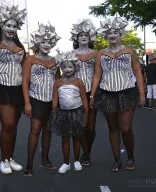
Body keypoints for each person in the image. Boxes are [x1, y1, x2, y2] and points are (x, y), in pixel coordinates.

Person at [90, 14, 145, 172]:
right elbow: (97, 75)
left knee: (126, 128)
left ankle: (130, 157)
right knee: (112, 128)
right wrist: (93, 96)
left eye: (115, 32)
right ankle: (116, 160)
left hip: (127, 92)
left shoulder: (130, 51)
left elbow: (137, 72)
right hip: (107, 94)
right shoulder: (101, 53)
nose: (112, 35)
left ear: (121, 34)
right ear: (106, 35)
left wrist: (141, 94)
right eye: (109, 33)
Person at [0, 2, 27, 174]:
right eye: (7, 25)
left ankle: (10, 158)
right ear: (1, 26)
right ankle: (3, 160)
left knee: (14, 126)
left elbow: (26, 69)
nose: (11, 28)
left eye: (14, 25)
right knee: (8, 124)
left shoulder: (20, 47)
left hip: (17, 87)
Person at [22, 23, 61, 176]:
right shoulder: (30, 59)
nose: (46, 45)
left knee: (48, 130)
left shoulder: (55, 61)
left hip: (51, 101)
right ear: (38, 43)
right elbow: (25, 81)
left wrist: (57, 102)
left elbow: (58, 82)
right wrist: (27, 103)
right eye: (43, 42)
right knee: (35, 130)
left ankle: (45, 160)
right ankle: (29, 164)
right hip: (35, 99)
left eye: (49, 42)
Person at [48, 51, 88, 173]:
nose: (67, 69)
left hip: (77, 111)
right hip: (63, 113)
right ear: (61, 68)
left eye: (70, 66)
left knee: (76, 138)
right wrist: (54, 113)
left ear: (75, 68)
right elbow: (55, 99)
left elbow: (84, 98)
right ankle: (66, 163)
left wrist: (85, 114)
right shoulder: (58, 83)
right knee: (65, 139)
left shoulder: (78, 81)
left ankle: (76, 160)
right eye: (64, 67)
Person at [70, 19, 98, 165]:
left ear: (90, 37)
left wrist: (94, 94)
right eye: (80, 35)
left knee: (91, 126)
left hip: (92, 92)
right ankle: (86, 154)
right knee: (80, 125)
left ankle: (87, 151)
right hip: (75, 93)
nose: (83, 37)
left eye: (85, 35)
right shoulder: (71, 54)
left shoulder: (96, 54)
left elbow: (99, 74)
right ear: (76, 38)